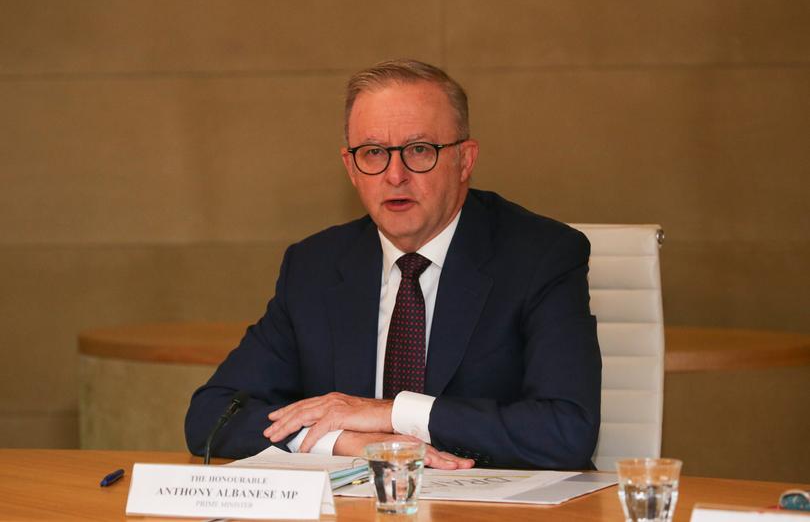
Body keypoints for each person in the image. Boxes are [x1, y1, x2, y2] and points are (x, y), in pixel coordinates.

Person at [185, 59, 601, 470]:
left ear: (465, 160)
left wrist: (391, 414)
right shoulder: (315, 266)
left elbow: (567, 431)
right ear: (351, 168)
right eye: (373, 153)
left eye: (420, 150)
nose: (395, 174)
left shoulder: (541, 256)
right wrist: (343, 441)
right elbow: (212, 416)